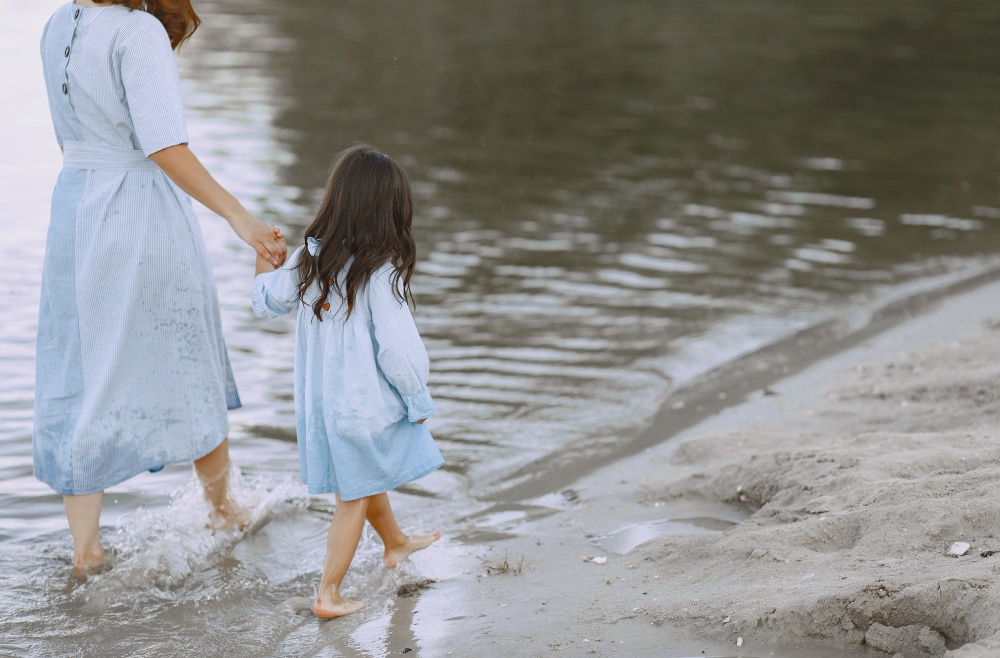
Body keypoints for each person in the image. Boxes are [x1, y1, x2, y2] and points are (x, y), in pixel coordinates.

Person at [35, 0, 287, 578]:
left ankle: (86, 552)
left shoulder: (57, 24)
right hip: (139, 212)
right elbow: (164, 146)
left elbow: (68, 142)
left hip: (73, 213)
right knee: (188, 352)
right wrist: (241, 218)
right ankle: (222, 510)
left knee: (77, 376)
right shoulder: (137, 30)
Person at [252, 144, 444, 618]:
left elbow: (265, 302)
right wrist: (417, 396)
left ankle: (395, 542)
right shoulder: (379, 272)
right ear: (388, 212)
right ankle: (328, 593)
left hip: (322, 408)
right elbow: (398, 350)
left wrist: (263, 256)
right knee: (353, 496)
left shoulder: (308, 260)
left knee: (364, 476)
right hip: (362, 408)